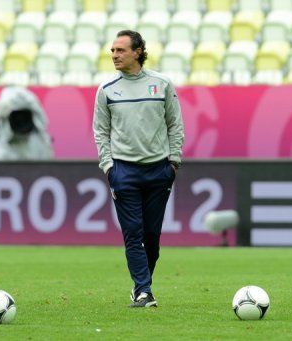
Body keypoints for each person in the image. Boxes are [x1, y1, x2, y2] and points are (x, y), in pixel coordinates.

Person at [93, 30, 184, 308]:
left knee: (152, 238)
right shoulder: (107, 89)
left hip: (159, 171)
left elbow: (175, 125)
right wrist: (109, 167)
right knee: (133, 233)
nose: (114, 56)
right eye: (112, 51)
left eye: (120, 50)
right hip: (124, 172)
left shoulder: (162, 84)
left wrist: (173, 162)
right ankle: (144, 290)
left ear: (138, 51)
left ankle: (141, 287)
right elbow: (101, 132)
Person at [0, 86, 54, 160]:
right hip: (7, 144)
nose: (20, 119)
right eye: (16, 115)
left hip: (31, 145)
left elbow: (44, 122)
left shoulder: (38, 140)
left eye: (25, 115)